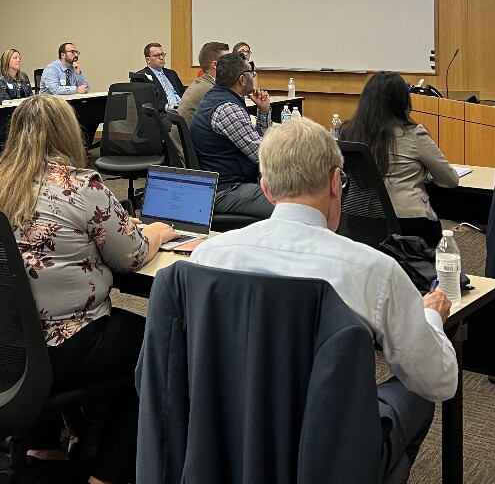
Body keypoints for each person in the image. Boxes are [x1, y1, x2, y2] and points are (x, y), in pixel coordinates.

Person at [189, 117, 457, 484]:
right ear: (335, 181)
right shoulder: (374, 270)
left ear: (266, 190)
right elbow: (438, 381)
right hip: (329, 455)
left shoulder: (207, 257)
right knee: (418, 387)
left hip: (229, 440)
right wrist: (431, 319)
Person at [0, 94, 177, 484]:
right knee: (158, 341)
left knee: (46, 307)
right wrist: (155, 232)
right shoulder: (81, 186)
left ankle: (42, 447)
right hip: (61, 348)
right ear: (68, 134)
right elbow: (131, 255)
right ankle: (107, 473)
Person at [340, 72, 459, 244]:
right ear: (402, 101)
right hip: (408, 224)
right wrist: (423, 174)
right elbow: (450, 180)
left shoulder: (348, 131)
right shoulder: (413, 134)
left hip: (359, 220)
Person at [190, 52, 274, 224]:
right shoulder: (228, 109)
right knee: (291, 206)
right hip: (226, 190)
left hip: (223, 183)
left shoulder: (216, 96)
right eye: (251, 73)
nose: (253, 77)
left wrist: (263, 111)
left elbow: (257, 142)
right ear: (242, 79)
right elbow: (263, 156)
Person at [177, 41, 228, 126]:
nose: (231, 64)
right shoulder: (211, 90)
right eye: (227, 60)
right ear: (215, 65)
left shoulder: (201, 83)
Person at [137, 42, 185, 112]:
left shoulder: (171, 73)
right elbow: (147, 102)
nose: (161, 58)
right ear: (148, 60)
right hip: (165, 113)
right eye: (157, 55)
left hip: (183, 109)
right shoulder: (141, 77)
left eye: (162, 54)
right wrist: (166, 107)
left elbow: (183, 93)